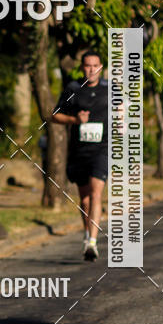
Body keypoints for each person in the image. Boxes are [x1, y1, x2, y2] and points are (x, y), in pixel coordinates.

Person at [53, 50, 108, 261]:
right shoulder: (73, 89)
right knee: (85, 199)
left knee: (96, 193)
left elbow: (124, 110)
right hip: (79, 151)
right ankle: (88, 233)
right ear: (82, 67)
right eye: (87, 66)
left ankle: (93, 242)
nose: (91, 70)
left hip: (102, 149)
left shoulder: (110, 89)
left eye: (95, 65)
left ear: (101, 67)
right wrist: (75, 120)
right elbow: (54, 116)